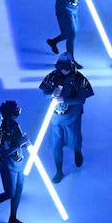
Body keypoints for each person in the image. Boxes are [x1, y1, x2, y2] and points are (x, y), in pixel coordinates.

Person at [38, 53, 95, 181]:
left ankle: (77, 151)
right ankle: (59, 170)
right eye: (61, 67)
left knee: (74, 140)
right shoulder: (53, 76)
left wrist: (65, 100)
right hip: (54, 118)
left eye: (66, 67)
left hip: (72, 118)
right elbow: (45, 92)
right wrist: (52, 95)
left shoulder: (79, 79)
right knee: (56, 144)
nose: (63, 70)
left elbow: (81, 99)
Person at [0, 101, 30, 223]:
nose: (18, 111)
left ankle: (13, 218)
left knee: (18, 190)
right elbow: (4, 153)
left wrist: (26, 144)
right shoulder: (2, 131)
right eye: (15, 109)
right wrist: (20, 143)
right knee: (10, 193)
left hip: (19, 162)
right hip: (8, 165)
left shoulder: (15, 124)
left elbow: (21, 138)